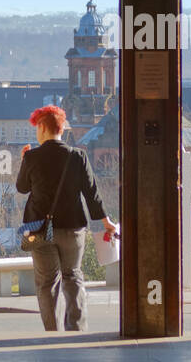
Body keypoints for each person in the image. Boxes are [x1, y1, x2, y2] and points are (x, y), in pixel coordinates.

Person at [16, 105, 117, 332]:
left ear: (42, 127)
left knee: (47, 283)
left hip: (39, 229)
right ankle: (77, 330)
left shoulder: (32, 157)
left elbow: (22, 188)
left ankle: (52, 332)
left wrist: (24, 160)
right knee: (73, 276)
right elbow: (92, 193)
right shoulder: (77, 156)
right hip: (72, 228)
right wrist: (105, 221)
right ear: (62, 128)